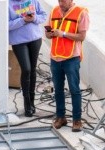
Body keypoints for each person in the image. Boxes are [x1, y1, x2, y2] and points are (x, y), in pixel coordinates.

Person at [45, 0, 89, 132]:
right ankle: (61, 117)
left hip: (71, 58)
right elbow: (47, 34)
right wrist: (50, 34)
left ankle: (77, 120)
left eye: (63, 1)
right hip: (55, 57)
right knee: (58, 89)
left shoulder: (81, 12)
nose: (60, 3)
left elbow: (82, 36)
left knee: (74, 89)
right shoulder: (54, 11)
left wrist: (63, 34)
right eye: (59, 0)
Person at [9, 0, 48, 117]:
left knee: (32, 69)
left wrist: (34, 18)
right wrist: (23, 20)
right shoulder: (7, 4)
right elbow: (6, 25)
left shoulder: (33, 1)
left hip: (35, 39)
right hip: (19, 42)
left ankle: (32, 101)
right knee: (26, 69)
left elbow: (43, 16)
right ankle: (26, 103)